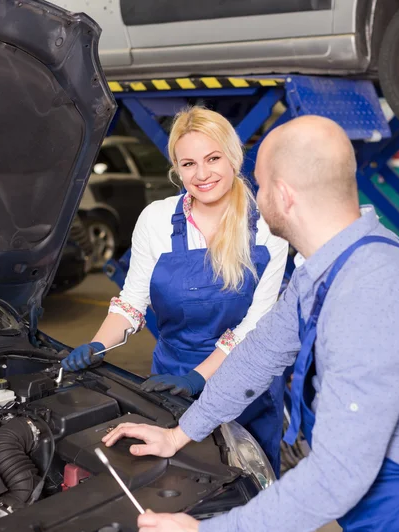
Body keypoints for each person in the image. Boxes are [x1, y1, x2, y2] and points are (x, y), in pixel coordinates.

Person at [102, 115, 399, 532]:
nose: (251, 196)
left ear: (283, 196)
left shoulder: (372, 291)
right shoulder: (327, 270)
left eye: (257, 185)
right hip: (375, 517)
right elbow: (258, 355)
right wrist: (179, 433)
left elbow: (336, 475)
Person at [62, 106, 288, 474]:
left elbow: (257, 326)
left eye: (213, 159)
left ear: (233, 157)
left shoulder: (266, 224)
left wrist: (199, 378)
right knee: (178, 486)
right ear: (176, 168)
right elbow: (133, 302)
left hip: (245, 383)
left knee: (249, 484)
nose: (201, 174)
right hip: (172, 380)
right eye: (188, 164)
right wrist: (98, 345)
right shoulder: (157, 220)